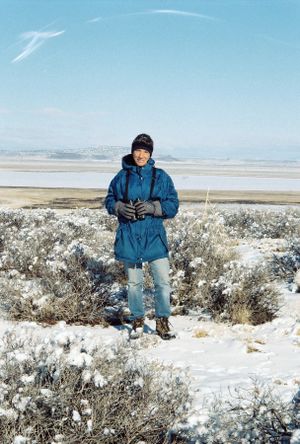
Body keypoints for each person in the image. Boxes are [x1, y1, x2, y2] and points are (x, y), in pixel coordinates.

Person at [105, 133, 179, 339]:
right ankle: (137, 321)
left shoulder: (161, 177)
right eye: (138, 150)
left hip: (154, 237)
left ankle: (162, 322)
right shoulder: (121, 177)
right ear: (132, 151)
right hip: (129, 236)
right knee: (134, 284)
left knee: (163, 283)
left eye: (145, 151)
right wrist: (118, 207)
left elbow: (173, 206)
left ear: (150, 154)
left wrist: (153, 207)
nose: (141, 155)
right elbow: (109, 199)